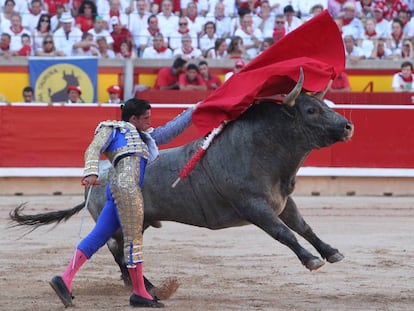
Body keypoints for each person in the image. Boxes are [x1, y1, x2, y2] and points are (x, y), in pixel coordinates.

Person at [49, 97, 196, 308]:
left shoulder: (146, 136)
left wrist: (194, 110)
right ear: (133, 118)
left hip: (115, 189)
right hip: (127, 189)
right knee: (133, 239)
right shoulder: (112, 129)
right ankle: (140, 292)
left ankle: (65, 279)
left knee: (99, 235)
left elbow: (170, 130)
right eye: (145, 118)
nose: (149, 122)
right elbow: (92, 149)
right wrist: (91, 171)